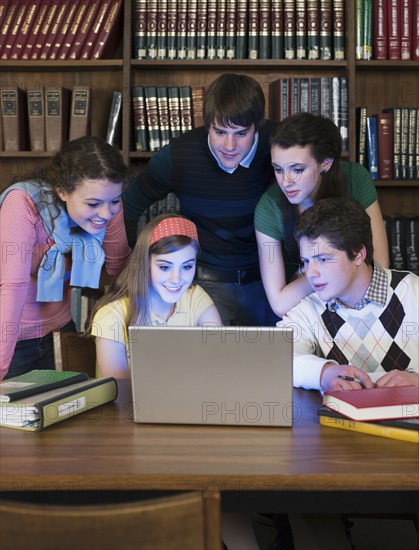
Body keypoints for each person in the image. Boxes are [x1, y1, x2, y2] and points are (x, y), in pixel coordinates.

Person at [122, 73, 279, 326]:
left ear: (257, 127)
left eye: (241, 134)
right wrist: (132, 270)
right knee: (208, 363)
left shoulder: (279, 144)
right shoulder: (179, 156)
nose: (229, 145)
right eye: (219, 131)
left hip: (271, 283)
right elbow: (127, 207)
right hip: (205, 286)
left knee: (275, 363)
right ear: (207, 124)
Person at [0, 136, 131, 381]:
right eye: (93, 203)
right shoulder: (22, 203)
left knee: (72, 412)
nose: (106, 213)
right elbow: (13, 286)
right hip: (10, 340)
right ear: (62, 191)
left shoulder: (107, 203)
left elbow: (121, 266)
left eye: (114, 201)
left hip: (61, 331)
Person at [255, 112, 390, 319]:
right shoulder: (269, 207)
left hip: (362, 302)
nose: (286, 181)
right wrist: (329, 268)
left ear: (325, 163)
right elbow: (280, 303)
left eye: (297, 169)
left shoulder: (355, 179)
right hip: (306, 310)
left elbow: (380, 265)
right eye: (278, 169)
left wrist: (309, 272)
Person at [277, 197, 418, 391]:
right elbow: (276, 359)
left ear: (358, 254)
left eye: (323, 259)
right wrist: (322, 373)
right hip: (340, 420)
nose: (310, 273)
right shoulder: (308, 309)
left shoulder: (413, 292)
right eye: (306, 261)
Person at [87, 213, 222, 378]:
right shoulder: (111, 316)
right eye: (164, 267)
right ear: (145, 264)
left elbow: (219, 363)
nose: (176, 279)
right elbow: (120, 394)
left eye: (187, 267)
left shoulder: (195, 297)